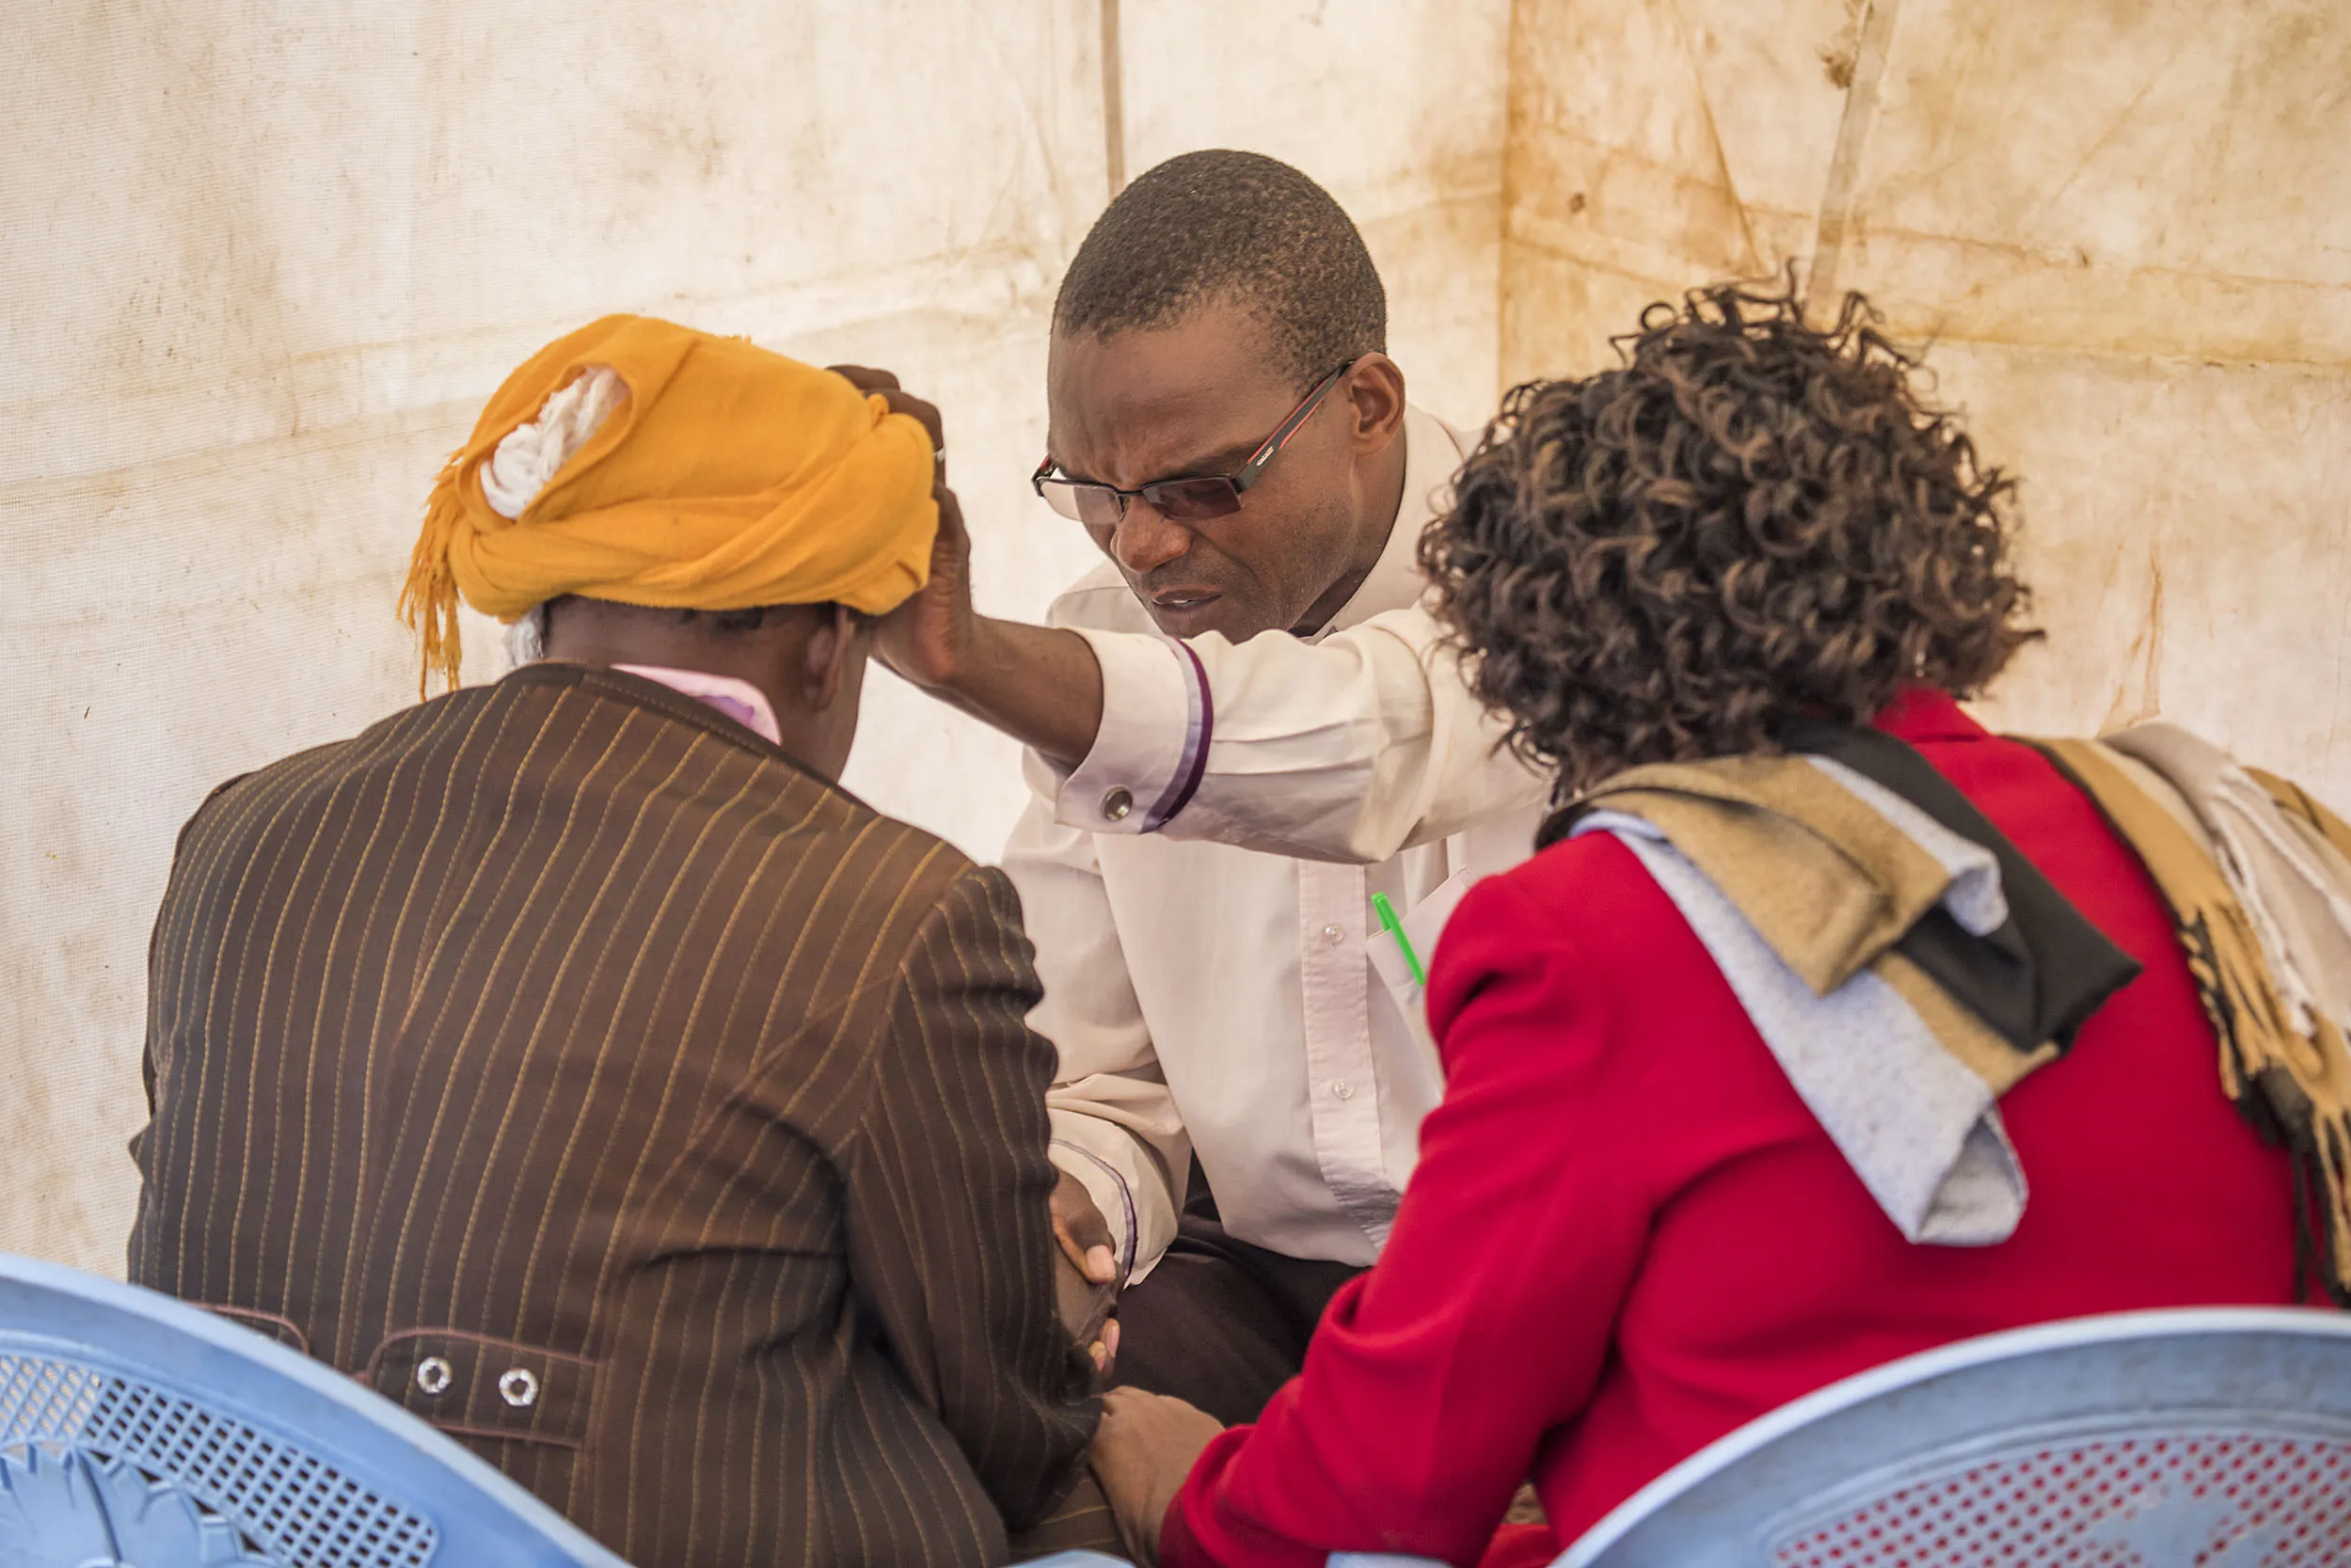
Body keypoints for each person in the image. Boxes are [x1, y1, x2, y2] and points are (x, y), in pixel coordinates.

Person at [1087, 280, 2338, 1567]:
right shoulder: (2186, 820)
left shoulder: (1599, 935)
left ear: (1544, 658)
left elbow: (1382, 1495)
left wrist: (1186, 1490)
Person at [127, 316, 1108, 1568]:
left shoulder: (244, 835)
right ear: (826, 647)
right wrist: (1068, 1312)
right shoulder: (887, 910)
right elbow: (1013, 1420)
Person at [875, 150, 1548, 1428]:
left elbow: (1362, 742)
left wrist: (976, 663)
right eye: (1091, 491)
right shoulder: (1104, 646)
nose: (1140, 544)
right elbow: (1096, 1078)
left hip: (1545, 1299)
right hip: (1257, 1280)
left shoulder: (1550, 590)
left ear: (1367, 406)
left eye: (1199, 486)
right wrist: (1065, 1215)